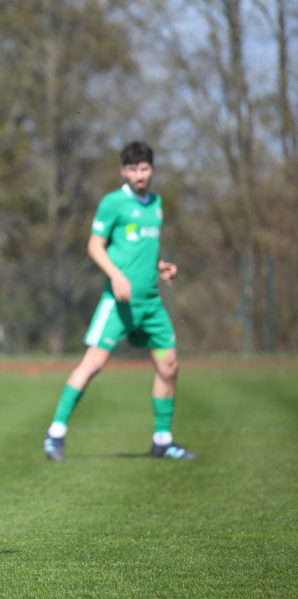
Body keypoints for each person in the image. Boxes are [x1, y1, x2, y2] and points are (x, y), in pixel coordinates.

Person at [43, 140, 194, 461]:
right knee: (93, 363)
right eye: (133, 169)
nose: (140, 174)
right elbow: (96, 246)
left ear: (151, 169)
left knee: (169, 366)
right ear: (124, 171)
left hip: (151, 304)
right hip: (118, 303)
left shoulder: (157, 204)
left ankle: (163, 441)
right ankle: (55, 433)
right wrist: (116, 275)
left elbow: (144, 247)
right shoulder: (113, 203)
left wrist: (160, 265)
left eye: (145, 168)